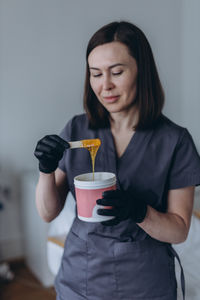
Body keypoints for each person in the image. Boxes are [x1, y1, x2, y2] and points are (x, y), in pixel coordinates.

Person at [34, 21, 200, 300]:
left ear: (141, 72)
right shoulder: (77, 130)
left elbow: (180, 230)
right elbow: (48, 212)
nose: (105, 85)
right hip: (81, 280)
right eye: (95, 74)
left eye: (117, 72)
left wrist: (140, 212)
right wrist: (45, 171)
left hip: (146, 284)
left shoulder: (175, 141)